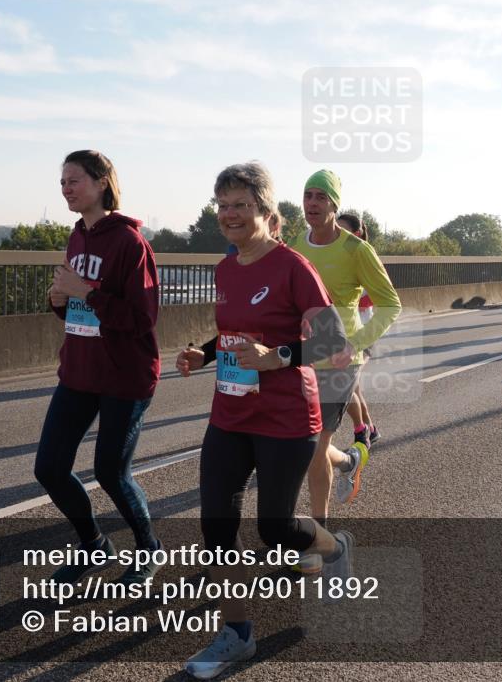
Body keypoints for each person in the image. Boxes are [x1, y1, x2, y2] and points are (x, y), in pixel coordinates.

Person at [175, 162, 354, 679]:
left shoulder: (294, 267)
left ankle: (334, 548)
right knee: (217, 528)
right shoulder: (225, 268)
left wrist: (276, 357)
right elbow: (237, 334)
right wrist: (206, 354)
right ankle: (237, 634)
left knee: (276, 529)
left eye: (241, 205)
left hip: (286, 417)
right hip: (230, 414)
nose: (229, 214)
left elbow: (333, 344)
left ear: (265, 211)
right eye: (222, 205)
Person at [37, 150, 163, 587]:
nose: (66, 189)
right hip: (79, 372)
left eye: (74, 180)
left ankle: (149, 548)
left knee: (110, 473)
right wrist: (59, 301)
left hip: (124, 376)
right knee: (49, 469)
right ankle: (93, 545)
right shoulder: (77, 237)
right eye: (62, 182)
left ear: (101, 182)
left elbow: (142, 319)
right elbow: (79, 311)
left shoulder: (130, 243)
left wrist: (86, 292)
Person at [291, 170, 401, 534]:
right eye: (308, 195)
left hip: (341, 358)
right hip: (304, 356)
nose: (312, 203)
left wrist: (355, 344)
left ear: (335, 205)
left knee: (314, 444)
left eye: (321, 197)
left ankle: (319, 535)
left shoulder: (357, 250)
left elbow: (390, 305)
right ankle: (349, 461)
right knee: (304, 443)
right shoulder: (296, 244)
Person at [336, 212, 380, 446]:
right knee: (354, 386)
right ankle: (369, 428)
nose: (336, 233)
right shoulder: (332, 258)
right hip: (340, 333)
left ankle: (362, 430)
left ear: (357, 233)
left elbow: (374, 297)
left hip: (362, 334)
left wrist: (348, 295)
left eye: (342, 229)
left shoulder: (365, 256)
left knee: (347, 384)